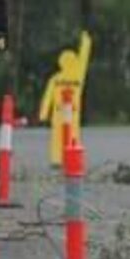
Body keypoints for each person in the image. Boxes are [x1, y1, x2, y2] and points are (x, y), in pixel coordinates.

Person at [39, 31, 93, 166]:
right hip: (71, 112)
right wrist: (86, 41)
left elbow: (47, 97)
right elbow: (84, 58)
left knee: (59, 136)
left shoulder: (56, 78)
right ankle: (71, 158)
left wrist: (43, 114)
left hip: (59, 112)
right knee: (72, 136)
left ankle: (58, 160)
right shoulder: (77, 75)